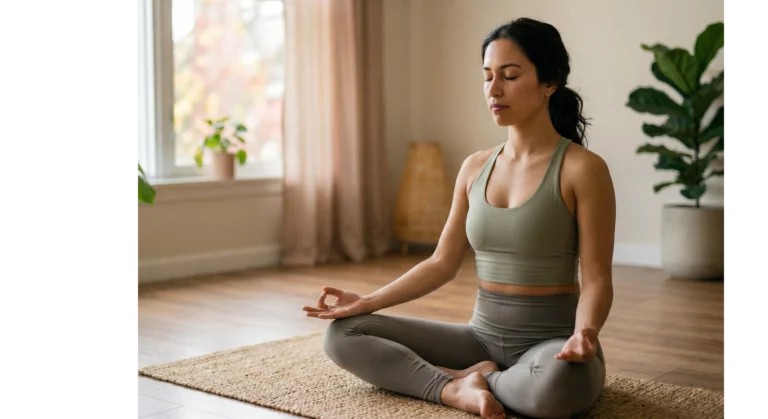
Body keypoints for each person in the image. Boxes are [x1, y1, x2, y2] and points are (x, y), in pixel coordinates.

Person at [302, 17, 616, 419]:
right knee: (344, 334)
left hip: (551, 345)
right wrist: (366, 302)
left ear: (549, 82)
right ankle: (454, 388)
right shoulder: (474, 167)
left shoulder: (582, 169)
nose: (494, 90)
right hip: (479, 338)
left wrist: (585, 334)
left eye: (510, 75)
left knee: (557, 388)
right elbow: (441, 263)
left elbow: (597, 279)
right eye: (487, 77)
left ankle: (478, 380)